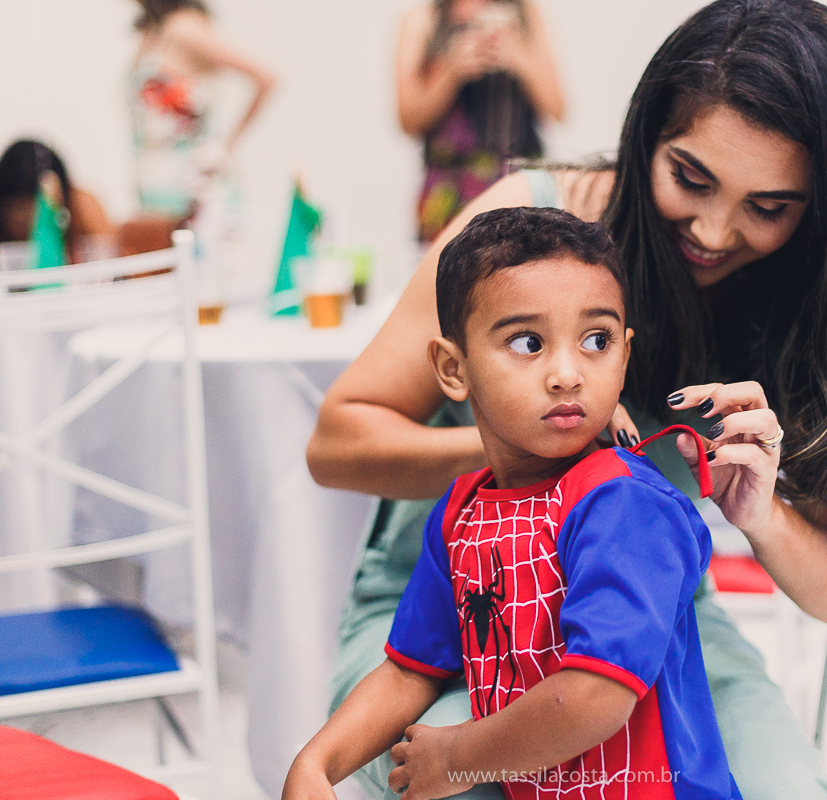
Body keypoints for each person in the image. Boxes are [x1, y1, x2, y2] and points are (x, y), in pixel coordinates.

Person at [309, 1, 827, 798]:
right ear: (647, 137)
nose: (712, 232)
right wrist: (534, 445)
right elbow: (335, 444)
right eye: (690, 178)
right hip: (447, 610)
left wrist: (763, 517)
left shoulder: (817, 307)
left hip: (646, 606)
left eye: (768, 208)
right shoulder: (534, 229)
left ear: (822, 213)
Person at [285, 207, 739, 800]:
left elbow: (596, 694)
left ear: (625, 355)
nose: (567, 374)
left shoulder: (625, 504)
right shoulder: (462, 510)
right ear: (454, 369)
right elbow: (410, 668)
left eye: (596, 340)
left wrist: (458, 759)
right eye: (528, 343)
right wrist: (316, 763)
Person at [397, 0, 565, 242]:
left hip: (518, 182)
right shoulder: (422, 20)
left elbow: (557, 109)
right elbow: (408, 120)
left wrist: (520, 60)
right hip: (449, 189)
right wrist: (451, 71)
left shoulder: (527, 13)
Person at [129, 0, 275, 221]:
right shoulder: (153, 29)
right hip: (156, 191)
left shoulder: (183, 28)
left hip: (196, 191)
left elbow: (266, 77)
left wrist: (228, 146)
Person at [0, 140, 114, 273]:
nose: (32, 224)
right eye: (20, 212)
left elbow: (110, 261)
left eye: (42, 212)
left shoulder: (83, 206)